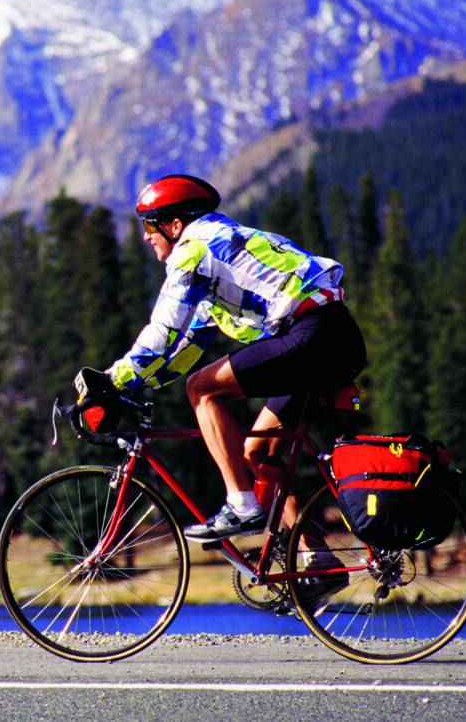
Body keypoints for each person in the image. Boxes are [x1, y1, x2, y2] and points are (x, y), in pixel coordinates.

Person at [98, 174, 367, 543]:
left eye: (150, 225)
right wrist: (138, 382)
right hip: (338, 336)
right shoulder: (224, 248)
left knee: (203, 390)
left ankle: (241, 506)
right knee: (257, 453)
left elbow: (162, 333)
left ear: (175, 225)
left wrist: (111, 380)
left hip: (311, 334)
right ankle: (315, 558)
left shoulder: (194, 249)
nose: (146, 235)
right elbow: (185, 344)